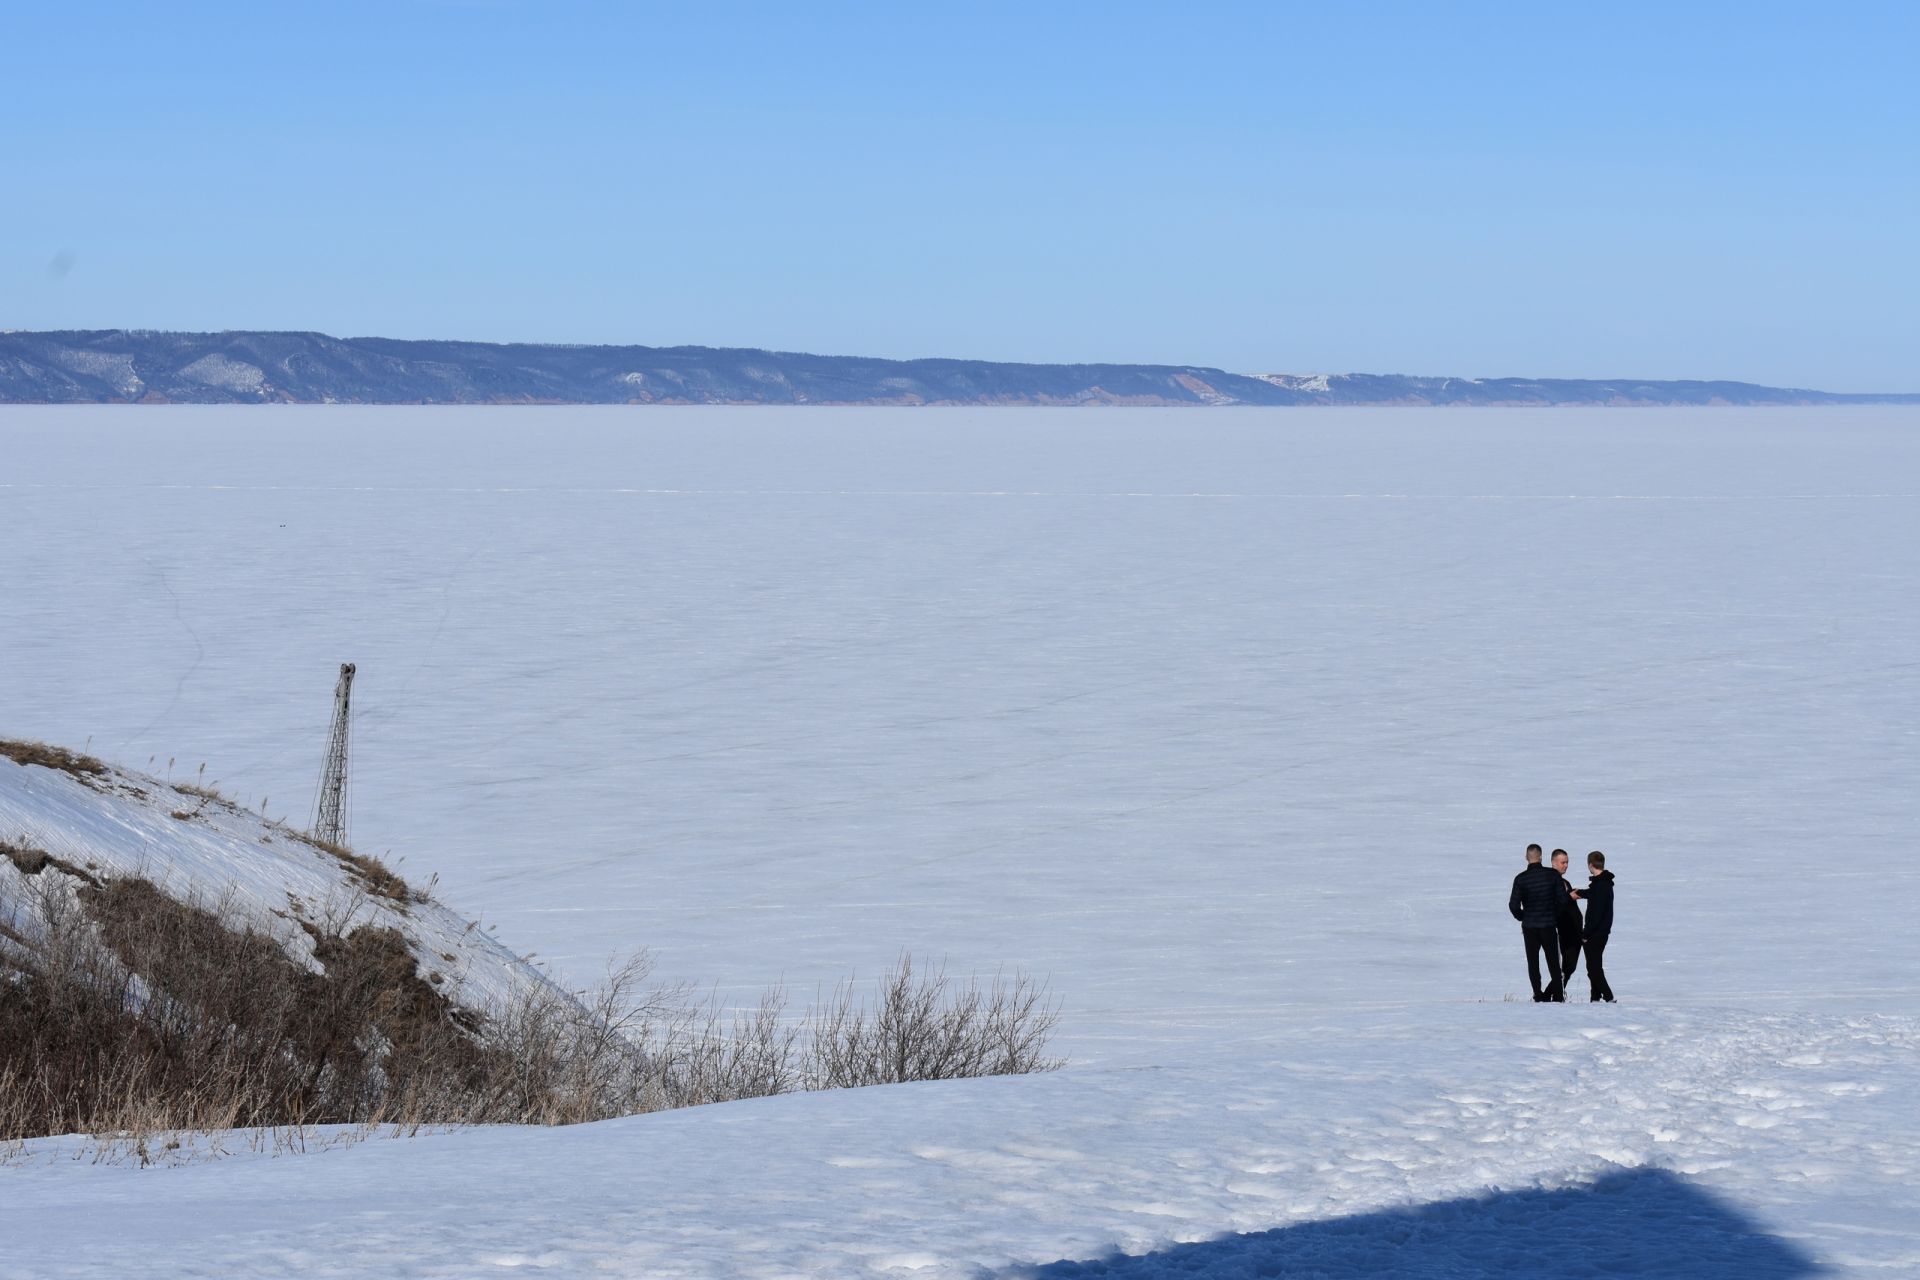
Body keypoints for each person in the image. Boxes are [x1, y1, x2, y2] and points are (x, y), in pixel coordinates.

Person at [1508, 844, 1565, 1001]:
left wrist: (1523, 917)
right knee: (1554, 962)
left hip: (1530, 926)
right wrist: (1554, 915)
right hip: (1548, 925)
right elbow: (1563, 900)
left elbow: (1513, 905)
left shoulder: (1521, 879)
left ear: (1526, 857)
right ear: (1541, 856)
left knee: (1533, 962)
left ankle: (1538, 995)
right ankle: (1559, 997)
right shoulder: (1552, 875)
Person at [1572, 851, 1616, 1002]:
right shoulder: (1603, 883)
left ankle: (1609, 997)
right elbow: (1593, 894)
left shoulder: (1600, 885)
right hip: (1601, 932)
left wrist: (1585, 934)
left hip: (1595, 933)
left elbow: (1595, 914)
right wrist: (1580, 893)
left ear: (1590, 865)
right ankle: (1595, 998)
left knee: (1594, 968)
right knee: (1593, 967)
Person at [1550, 849, 1583, 984]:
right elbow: (1556, 903)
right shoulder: (1551, 881)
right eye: (1563, 862)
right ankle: (1550, 994)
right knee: (1564, 966)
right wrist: (1569, 897)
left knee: (1570, 965)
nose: (1566, 865)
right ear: (1553, 863)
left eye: (1567, 862)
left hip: (1573, 931)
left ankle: (1556, 991)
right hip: (1562, 930)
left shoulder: (1565, 882)